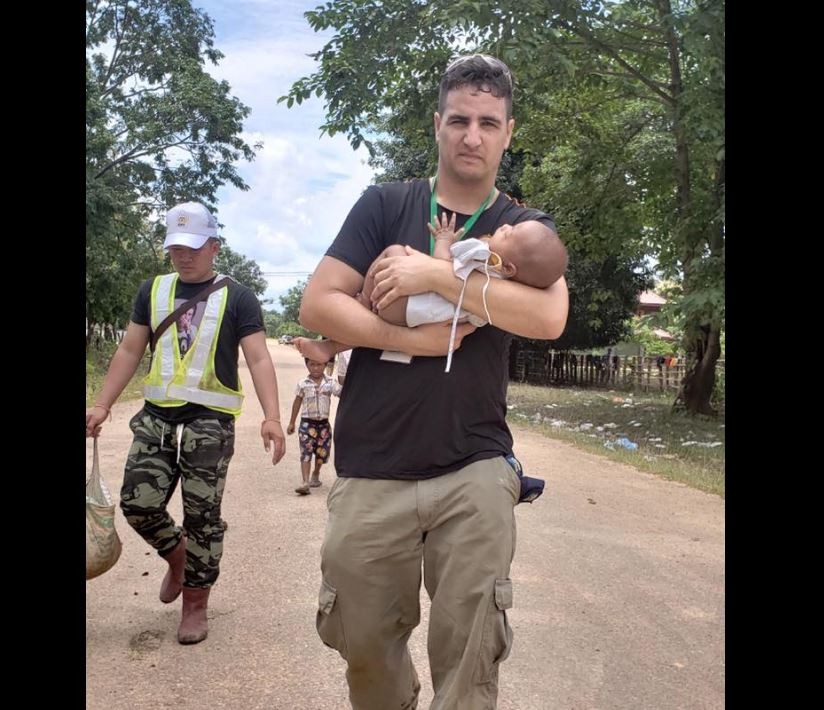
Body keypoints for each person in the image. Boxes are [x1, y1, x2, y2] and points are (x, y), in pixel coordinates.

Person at [298, 54, 569, 708]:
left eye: (488, 123)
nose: (472, 136)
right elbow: (317, 304)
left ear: (508, 132)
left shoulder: (525, 229)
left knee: (472, 650)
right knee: (363, 643)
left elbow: (548, 317)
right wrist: (406, 339)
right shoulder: (384, 204)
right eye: (459, 120)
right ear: (437, 124)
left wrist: (434, 276)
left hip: (473, 461)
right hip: (373, 461)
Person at [85, 201, 286, 646]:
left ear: (214, 246)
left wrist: (271, 416)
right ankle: (177, 555)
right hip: (156, 418)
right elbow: (130, 350)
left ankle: (195, 603)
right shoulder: (153, 291)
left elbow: (258, 357)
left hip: (209, 424)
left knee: (203, 518)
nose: (184, 256)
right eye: (176, 248)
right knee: (136, 504)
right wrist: (101, 404)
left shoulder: (238, 296)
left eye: (193, 248)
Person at [295, 213, 564, 367]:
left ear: (508, 267)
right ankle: (330, 346)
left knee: (395, 252)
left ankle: (363, 301)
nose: (504, 226)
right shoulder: (504, 290)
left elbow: (443, 263)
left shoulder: (483, 259)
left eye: (510, 233)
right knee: (377, 315)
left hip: (404, 302)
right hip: (422, 317)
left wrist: (444, 240)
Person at [287, 357, 342, 494]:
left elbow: (341, 393)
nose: (316, 368)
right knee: (305, 453)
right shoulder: (303, 384)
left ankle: (316, 473)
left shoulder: (330, 382)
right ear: (307, 365)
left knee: (321, 453)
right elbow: (297, 402)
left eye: (319, 364)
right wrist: (292, 422)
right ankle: (305, 482)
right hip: (306, 425)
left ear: (325, 365)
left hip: (323, 426)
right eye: (312, 364)